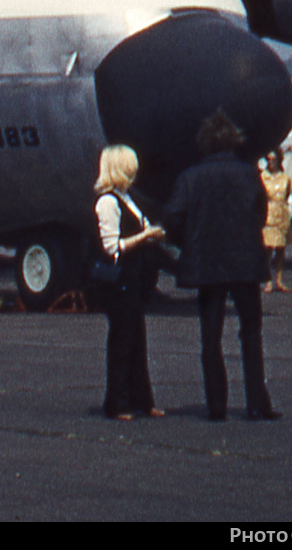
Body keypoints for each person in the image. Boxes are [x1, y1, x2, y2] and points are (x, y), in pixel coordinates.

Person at [163, 113, 278, 422]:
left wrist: (188, 242)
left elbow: (172, 216)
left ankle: (216, 405)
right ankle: (257, 403)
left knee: (210, 337)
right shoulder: (249, 175)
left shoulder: (191, 177)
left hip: (207, 262)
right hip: (245, 261)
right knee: (251, 332)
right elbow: (261, 213)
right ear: (234, 141)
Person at [91, 144, 164, 421]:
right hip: (118, 280)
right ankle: (117, 402)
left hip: (133, 279)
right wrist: (145, 237)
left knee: (137, 339)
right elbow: (112, 247)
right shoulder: (108, 202)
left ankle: (141, 400)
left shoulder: (127, 197)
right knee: (122, 340)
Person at [259, 151, 292, 293]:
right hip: (268, 213)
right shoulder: (262, 177)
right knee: (267, 249)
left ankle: (279, 280)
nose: (271, 162)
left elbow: (287, 194)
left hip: (282, 214)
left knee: (280, 249)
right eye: (269, 159)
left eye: (274, 159)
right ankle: (267, 281)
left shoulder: (285, 177)